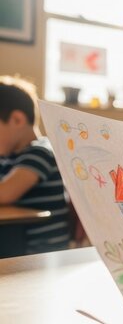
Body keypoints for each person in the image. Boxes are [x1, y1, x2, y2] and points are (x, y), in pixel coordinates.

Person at [0, 76, 70, 254]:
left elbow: (5, 193)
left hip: (39, 252)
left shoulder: (40, 152)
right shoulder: (8, 156)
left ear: (17, 120)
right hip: (15, 242)